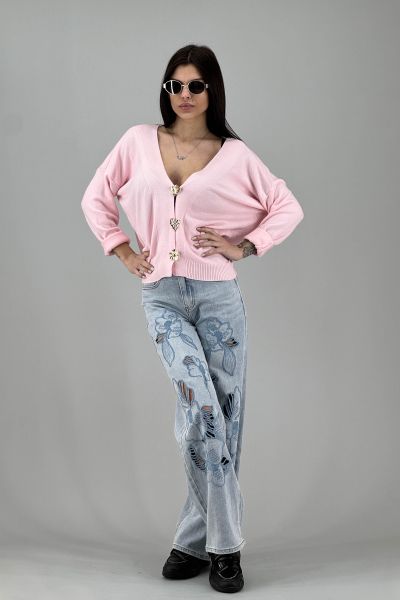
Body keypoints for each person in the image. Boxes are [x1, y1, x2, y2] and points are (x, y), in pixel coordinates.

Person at [81, 43, 304, 594]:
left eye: (195, 86)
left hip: (218, 300)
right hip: (162, 296)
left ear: (212, 91)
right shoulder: (138, 141)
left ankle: (191, 539)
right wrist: (122, 249)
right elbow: (95, 197)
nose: (184, 95)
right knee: (200, 411)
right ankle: (226, 547)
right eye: (175, 86)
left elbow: (287, 206)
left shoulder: (233, 153)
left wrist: (244, 246)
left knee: (222, 420)